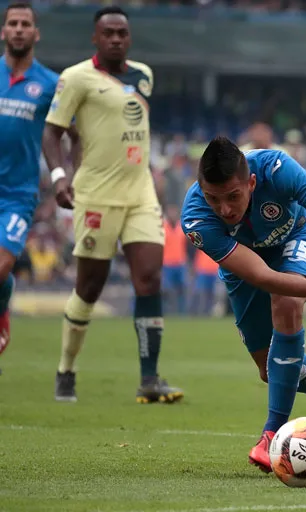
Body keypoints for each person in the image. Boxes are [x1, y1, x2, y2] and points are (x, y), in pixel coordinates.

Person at [181, 136, 306, 471]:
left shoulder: (276, 168)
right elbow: (262, 276)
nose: (225, 209)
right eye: (214, 199)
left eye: (233, 196)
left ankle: (272, 435)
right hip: (246, 268)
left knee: (287, 303)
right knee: (269, 371)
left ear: (252, 183)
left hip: (296, 238)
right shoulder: (196, 218)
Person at [42, 6, 182, 403]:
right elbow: (53, 132)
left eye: (122, 32)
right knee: (89, 287)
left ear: (129, 37)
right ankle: (66, 368)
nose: (116, 39)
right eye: (109, 33)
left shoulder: (143, 75)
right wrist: (59, 177)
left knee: (149, 279)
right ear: (95, 39)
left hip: (140, 194)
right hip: (95, 196)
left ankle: (150, 378)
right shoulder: (75, 78)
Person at [0, 2, 76, 371]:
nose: (17, 29)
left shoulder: (49, 84)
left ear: (35, 33)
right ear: (3, 31)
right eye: (11, 23)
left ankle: (3, 311)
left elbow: (72, 133)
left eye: (24, 24)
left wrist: (66, 176)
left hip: (18, 192)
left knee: (1, 267)